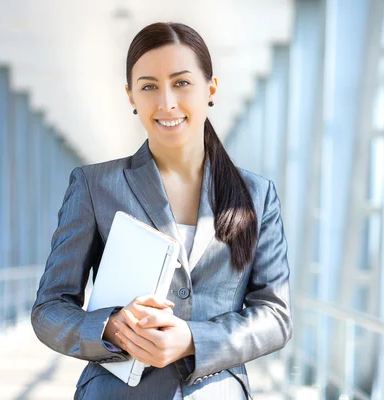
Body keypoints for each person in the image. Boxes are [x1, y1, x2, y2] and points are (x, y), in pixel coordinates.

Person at [31, 22, 292, 400]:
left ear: (210, 89)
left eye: (182, 83)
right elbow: (49, 310)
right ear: (131, 96)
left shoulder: (256, 195)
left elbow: (275, 316)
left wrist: (191, 339)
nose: (166, 102)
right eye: (149, 86)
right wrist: (110, 328)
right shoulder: (94, 185)